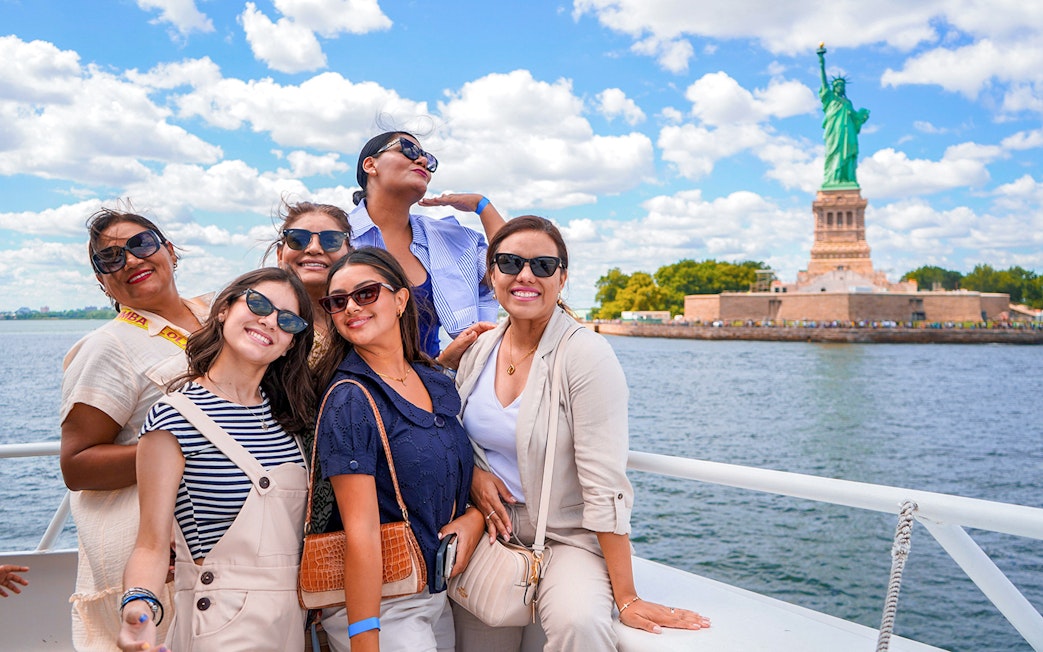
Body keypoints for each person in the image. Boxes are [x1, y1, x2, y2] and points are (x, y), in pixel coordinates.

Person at [453, 216, 711, 651]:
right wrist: (476, 478)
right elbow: (456, 434)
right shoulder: (479, 349)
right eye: (510, 262)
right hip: (492, 531)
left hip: (565, 537)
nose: (526, 275)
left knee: (581, 626)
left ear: (563, 277)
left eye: (543, 265)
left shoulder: (585, 354)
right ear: (492, 273)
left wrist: (626, 596)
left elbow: (604, 481)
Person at [116, 267, 315, 652]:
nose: (269, 321)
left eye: (287, 320)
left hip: (291, 621)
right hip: (221, 625)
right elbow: (151, 544)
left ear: (291, 343)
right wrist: (138, 607)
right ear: (224, 309)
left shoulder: (291, 418)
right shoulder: (173, 416)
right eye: (258, 304)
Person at [312, 247, 483, 652]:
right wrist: (365, 639)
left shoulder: (433, 380)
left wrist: (474, 518)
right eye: (338, 301)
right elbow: (361, 534)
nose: (351, 307)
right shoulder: (349, 398)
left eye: (366, 293)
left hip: (433, 593)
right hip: (382, 607)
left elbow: (448, 470)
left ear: (401, 299)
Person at [61, 208, 209, 651]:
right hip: (161, 554)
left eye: (141, 244)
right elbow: (78, 465)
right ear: (102, 281)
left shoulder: (219, 313)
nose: (129, 260)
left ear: (170, 251)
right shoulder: (108, 347)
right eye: (109, 259)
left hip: (232, 539)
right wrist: (182, 448)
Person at [349, 130, 504, 359]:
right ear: (371, 165)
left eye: (429, 160)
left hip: (429, 385)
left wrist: (482, 206)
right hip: (355, 385)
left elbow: (512, 268)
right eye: (408, 150)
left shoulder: (446, 240)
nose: (422, 160)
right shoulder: (335, 236)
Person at [265, 199, 353, 368]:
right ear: (280, 254)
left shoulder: (365, 318)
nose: (314, 249)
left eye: (331, 240)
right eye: (298, 239)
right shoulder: (255, 316)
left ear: (350, 253)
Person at [817, 44, 869, 187]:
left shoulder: (848, 103)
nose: (841, 87)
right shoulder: (829, 99)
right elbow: (823, 81)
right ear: (833, 87)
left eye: (842, 85)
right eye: (838, 84)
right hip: (834, 132)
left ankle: (847, 179)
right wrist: (821, 61)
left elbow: (855, 119)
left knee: (848, 155)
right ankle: (833, 179)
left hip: (848, 132)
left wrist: (862, 117)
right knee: (833, 154)